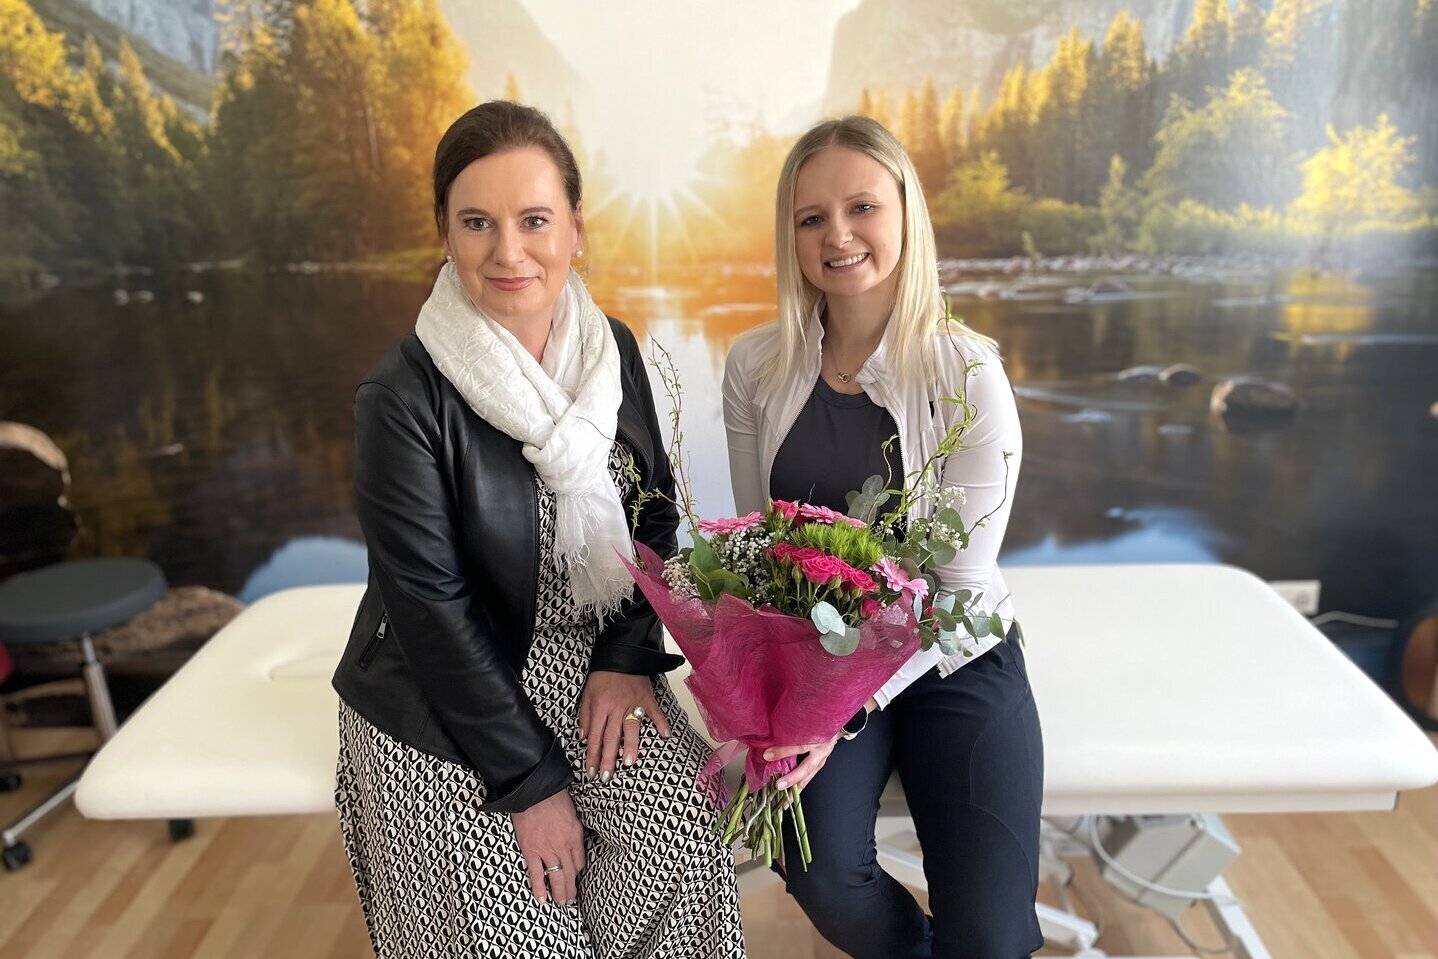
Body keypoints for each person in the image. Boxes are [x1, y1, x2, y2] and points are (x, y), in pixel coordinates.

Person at [332, 100, 745, 959]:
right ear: (444, 234)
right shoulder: (402, 397)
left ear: (577, 230)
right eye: (477, 223)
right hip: (446, 697)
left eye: (533, 220)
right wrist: (530, 785)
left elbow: (654, 516)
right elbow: (430, 610)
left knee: (681, 845)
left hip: (588, 658)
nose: (508, 252)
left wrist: (629, 657)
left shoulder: (612, 351)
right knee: (511, 929)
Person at [722, 115, 1045, 958]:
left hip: (953, 654)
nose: (838, 235)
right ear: (791, 235)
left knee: (995, 935)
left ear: (906, 213)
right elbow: (765, 550)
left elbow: (960, 587)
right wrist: (778, 693)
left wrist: (845, 709)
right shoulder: (755, 368)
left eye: (862, 206)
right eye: (810, 217)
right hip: (820, 657)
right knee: (820, 868)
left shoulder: (968, 373)